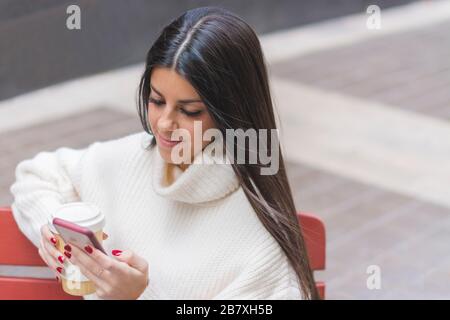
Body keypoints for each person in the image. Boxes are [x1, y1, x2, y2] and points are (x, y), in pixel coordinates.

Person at [10, 6, 318, 300]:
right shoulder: (133, 157)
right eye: (157, 101)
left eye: (189, 111)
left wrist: (135, 296)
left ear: (231, 113)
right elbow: (37, 176)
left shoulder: (259, 241)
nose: (165, 125)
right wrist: (50, 231)